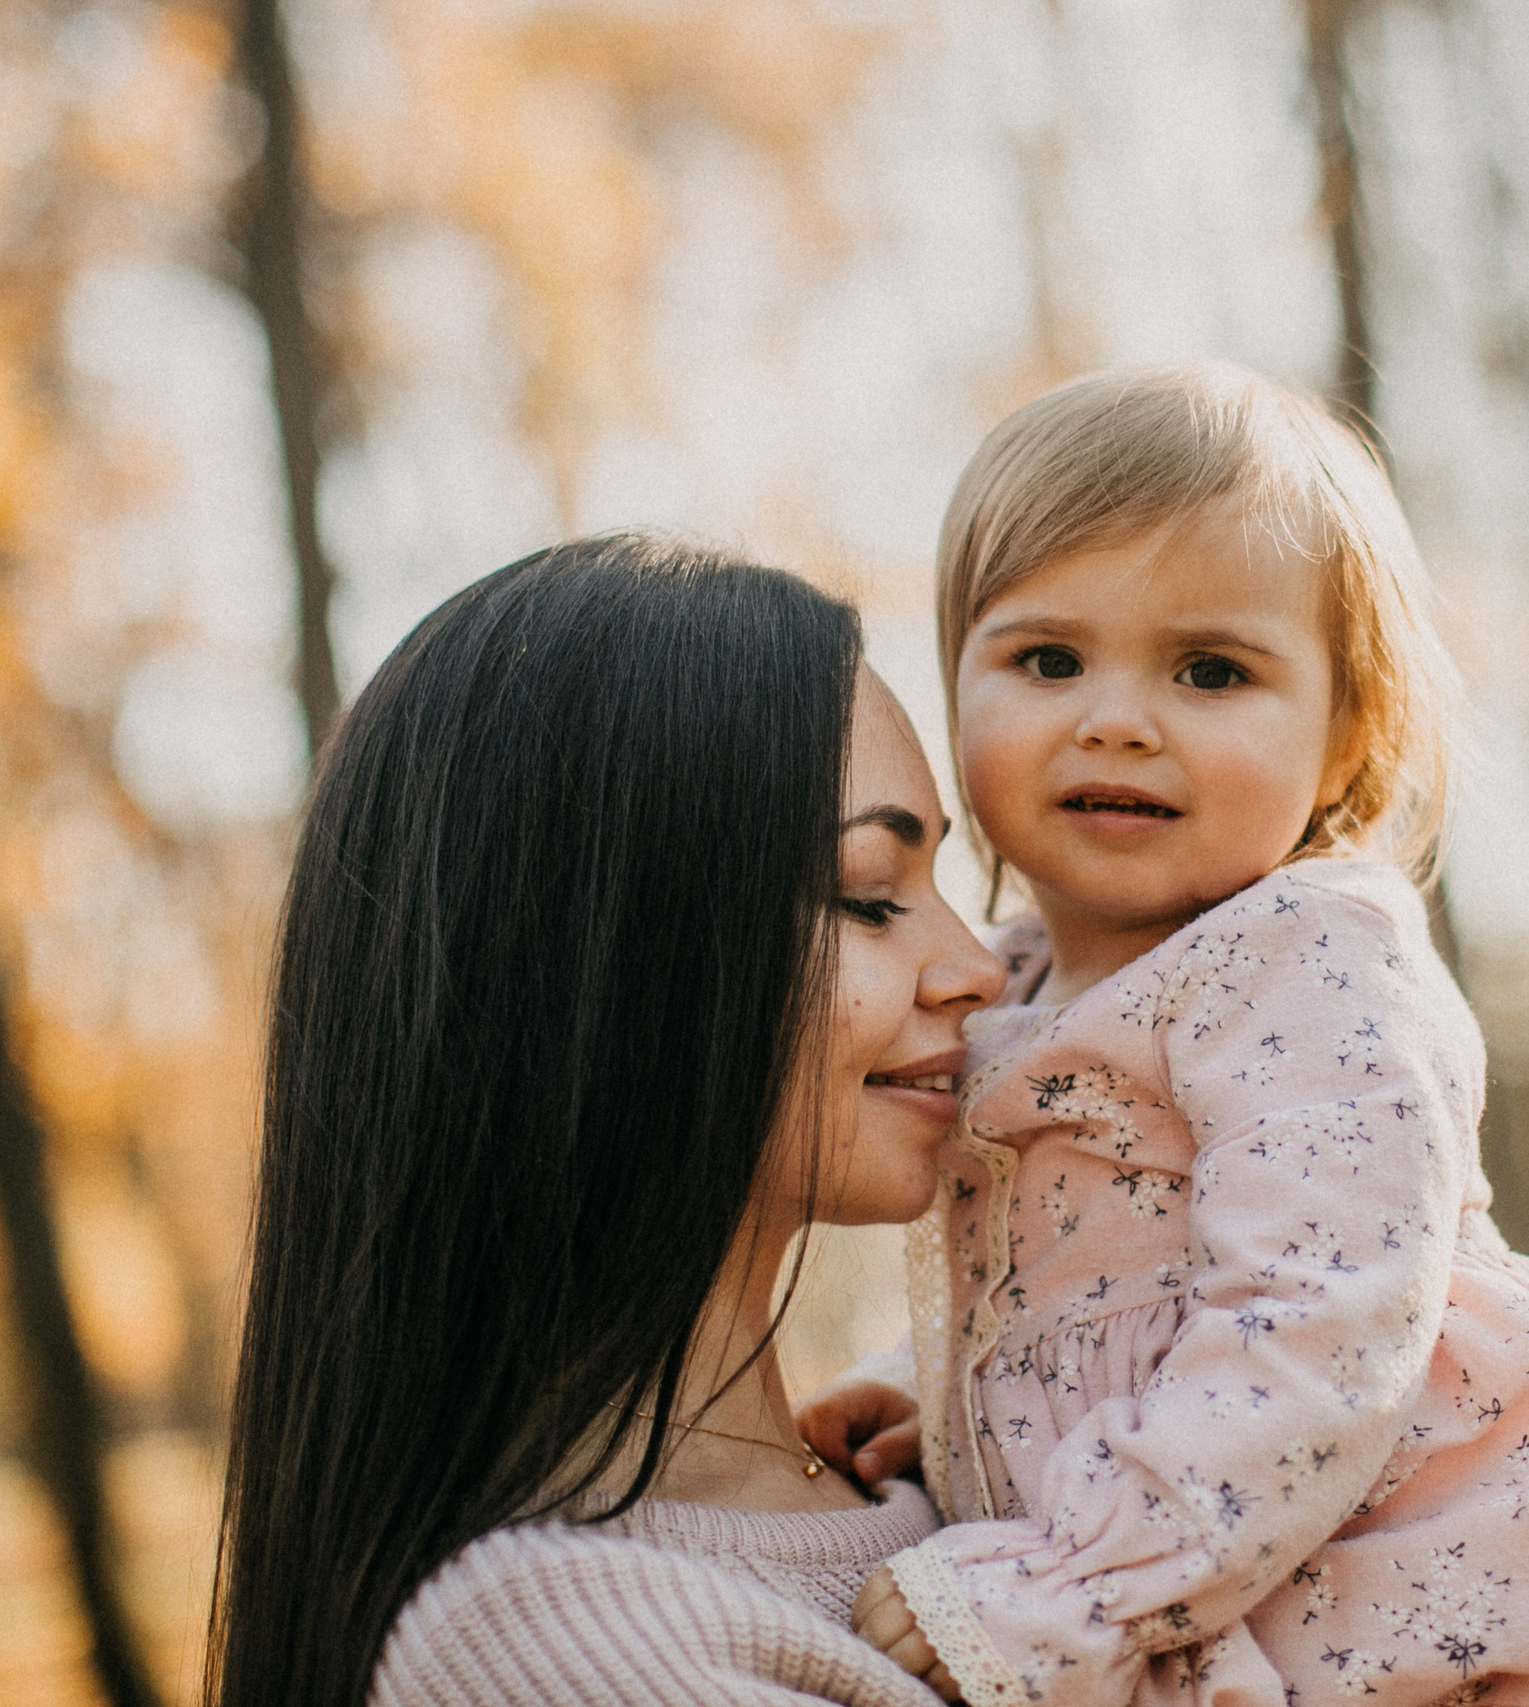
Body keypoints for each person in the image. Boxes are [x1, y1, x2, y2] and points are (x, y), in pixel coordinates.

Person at [803, 365, 1529, 1707]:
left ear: (1344, 732)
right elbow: (1096, 1282)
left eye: (1210, 669)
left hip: (1454, 1603)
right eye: (1048, 658)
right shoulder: (994, 984)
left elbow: (1319, 1321)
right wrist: (930, 1388)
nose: (1117, 715)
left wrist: (1068, 1582)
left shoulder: (1308, 960)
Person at [207, 535, 1006, 1707]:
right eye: (869, 896)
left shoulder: (943, 1479)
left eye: (948, 889)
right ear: (612, 968)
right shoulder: (558, 1652)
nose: (978, 966)